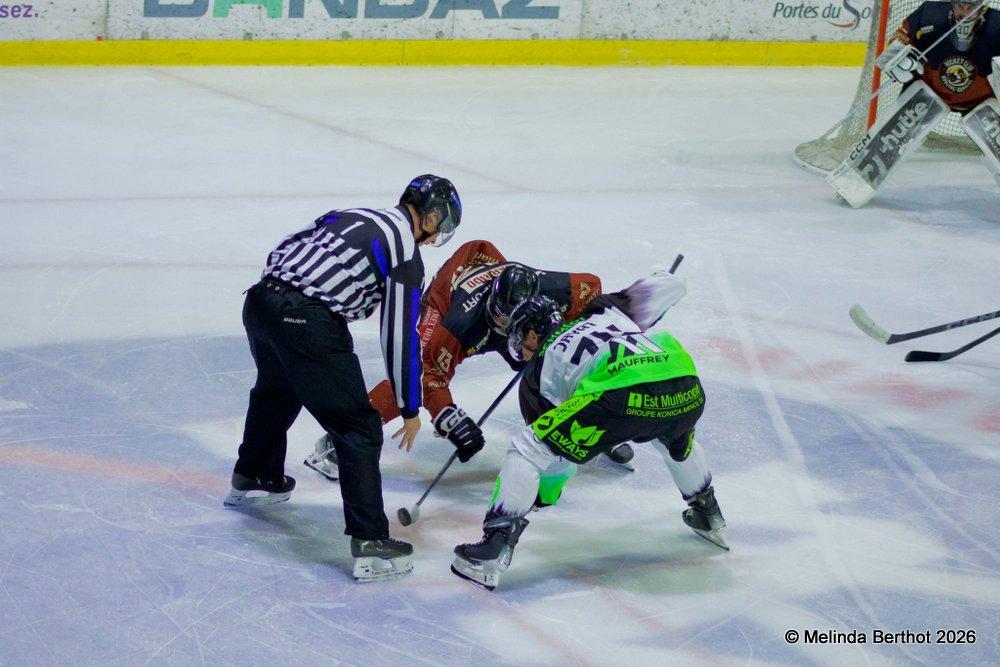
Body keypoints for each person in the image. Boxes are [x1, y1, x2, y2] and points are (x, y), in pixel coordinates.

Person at [223, 174, 462, 583]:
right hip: (308, 320)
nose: (438, 235)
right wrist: (408, 405)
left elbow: (288, 246)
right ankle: (370, 541)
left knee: (276, 390)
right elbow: (398, 335)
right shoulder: (405, 252)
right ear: (432, 216)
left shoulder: (354, 214)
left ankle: (255, 473)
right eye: (442, 225)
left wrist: (280, 305)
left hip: (260, 301)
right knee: (359, 427)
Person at [450, 273, 728, 591]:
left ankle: (494, 546)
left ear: (532, 333)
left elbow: (556, 456)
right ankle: (708, 512)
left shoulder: (537, 373)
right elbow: (670, 286)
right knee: (674, 441)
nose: (522, 354)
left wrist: (543, 497)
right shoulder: (605, 310)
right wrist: (661, 276)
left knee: (529, 446)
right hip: (684, 383)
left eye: (520, 343)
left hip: (619, 397)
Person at [305, 240, 634, 477]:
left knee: (563, 355)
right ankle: (340, 439)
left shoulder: (550, 290)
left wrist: (572, 327)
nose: (508, 332)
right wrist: (449, 418)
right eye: (503, 322)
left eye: (515, 326)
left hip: (507, 295)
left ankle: (592, 422)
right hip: (445, 302)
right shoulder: (459, 326)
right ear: (494, 308)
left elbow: (592, 288)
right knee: (412, 372)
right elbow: (430, 377)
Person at [886, 0, 999, 112]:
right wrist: (897, 52)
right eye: (960, 4)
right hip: (926, 90)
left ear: (983, 6)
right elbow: (901, 36)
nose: (965, 10)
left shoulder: (997, 26)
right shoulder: (929, 14)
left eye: (972, 5)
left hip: (981, 102)